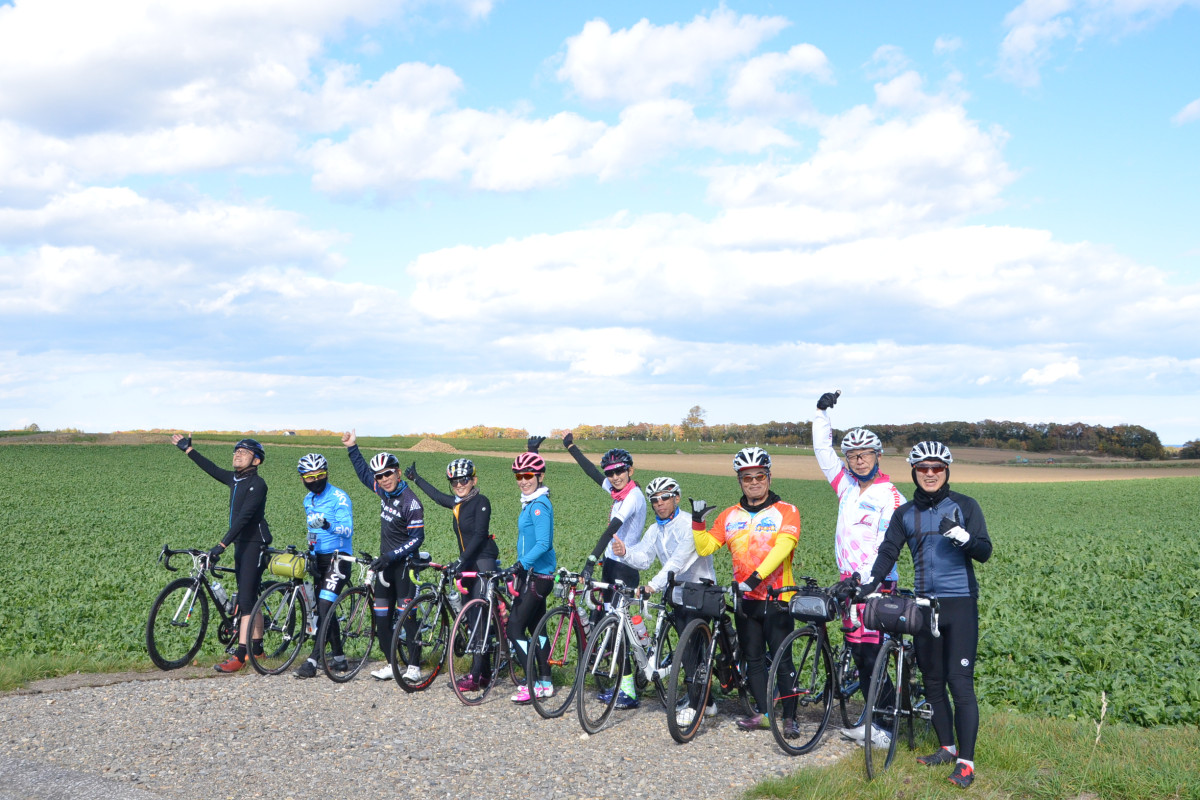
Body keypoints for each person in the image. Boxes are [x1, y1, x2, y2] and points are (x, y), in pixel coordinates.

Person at [860, 441, 993, 790]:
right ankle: (947, 748)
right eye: (923, 468)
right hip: (923, 606)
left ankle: (966, 762)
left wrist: (963, 538)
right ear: (914, 472)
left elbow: (985, 552)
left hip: (960, 604)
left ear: (946, 470)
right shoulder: (905, 514)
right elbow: (889, 550)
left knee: (959, 683)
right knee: (933, 682)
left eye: (936, 468)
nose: (930, 474)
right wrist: (871, 583)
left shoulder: (965, 505)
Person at [811, 391, 905, 742]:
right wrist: (822, 414)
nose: (858, 460)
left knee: (874, 658)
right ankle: (875, 721)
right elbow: (823, 453)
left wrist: (871, 582)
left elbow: (891, 546)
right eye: (852, 455)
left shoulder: (892, 495)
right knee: (862, 657)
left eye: (864, 454)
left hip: (877, 589)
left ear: (877, 456)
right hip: (849, 588)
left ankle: (886, 728)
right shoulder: (845, 486)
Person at [692, 446, 800, 731]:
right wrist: (697, 522)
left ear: (769, 477)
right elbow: (705, 548)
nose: (754, 482)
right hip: (746, 601)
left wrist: (754, 577)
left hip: (778, 598)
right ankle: (765, 714)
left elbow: (783, 547)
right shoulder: (730, 515)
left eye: (759, 476)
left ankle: (790, 718)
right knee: (752, 659)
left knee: (782, 659)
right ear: (739, 481)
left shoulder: (786, 511)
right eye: (747, 478)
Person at [611, 476, 717, 726]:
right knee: (689, 650)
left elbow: (676, 562)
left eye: (665, 498)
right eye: (655, 500)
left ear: (677, 498)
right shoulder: (655, 529)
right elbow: (645, 558)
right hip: (677, 593)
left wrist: (652, 586)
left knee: (691, 650)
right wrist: (625, 553)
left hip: (699, 591)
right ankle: (708, 702)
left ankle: (695, 705)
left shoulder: (690, 524)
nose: (659, 504)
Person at [170, 434, 272, 673]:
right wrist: (188, 450)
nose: (237, 454)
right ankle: (258, 650)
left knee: (246, 601)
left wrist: (221, 545)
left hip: (254, 543)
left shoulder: (258, 484)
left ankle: (241, 655)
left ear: (256, 461)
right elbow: (211, 468)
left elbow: (244, 518)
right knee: (251, 597)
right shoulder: (235, 479)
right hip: (241, 544)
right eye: (236, 451)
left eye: (244, 452)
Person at [561, 432, 647, 709]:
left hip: (625, 567)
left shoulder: (632, 496)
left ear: (630, 470)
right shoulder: (616, 491)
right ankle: (624, 678)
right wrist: (571, 447)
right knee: (607, 624)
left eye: (620, 471)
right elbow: (591, 472)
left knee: (618, 630)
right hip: (611, 565)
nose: (614, 476)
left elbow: (612, 529)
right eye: (610, 472)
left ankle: (629, 691)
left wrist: (589, 559)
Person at [404, 456, 500, 692]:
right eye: (454, 481)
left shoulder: (481, 502)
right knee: (470, 620)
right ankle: (485, 674)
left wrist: (460, 560)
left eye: (464, 480)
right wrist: (416, 479)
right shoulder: (458, 503)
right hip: (467, 562)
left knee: (478, 619)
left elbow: (479, 535)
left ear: (474, 479)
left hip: (482, 560)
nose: (459, 484)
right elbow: (437, 497)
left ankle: (476, 678)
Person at [342, 429, 425, 682]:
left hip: (404, 567)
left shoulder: (411, 502)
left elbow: (416, 539)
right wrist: (352, 447)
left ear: (398, 473)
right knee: (381, 618)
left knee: (406, 617)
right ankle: (392, 663)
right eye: (381, 476)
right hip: (385, 566)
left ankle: (414, 666)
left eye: (388, 473)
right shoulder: (383, 492)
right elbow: (363, 475)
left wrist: (391, 556)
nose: (384, 479)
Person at [293, 453, 354, 679]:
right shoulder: (308, 500)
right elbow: (312, 531)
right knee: (323, 607)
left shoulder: (339, 497)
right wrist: (309, 552)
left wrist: (328, 525)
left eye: (320, 475)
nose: (315, 480)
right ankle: (339, 658)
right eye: (310, 477)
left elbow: (348, 530)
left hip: (339, 558)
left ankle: (313, 660)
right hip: (318, 559)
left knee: (325, 606)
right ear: (302, 479)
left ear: (326, 473)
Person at [506, 437, 556, 703]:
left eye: (528, 476)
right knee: (538, 628)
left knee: (515, 628)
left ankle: (531, 683)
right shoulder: (532, 500)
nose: (523, 480)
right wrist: (531, 452)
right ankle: (546, 682)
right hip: (536, 574)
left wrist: (521, 565)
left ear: (539, 476)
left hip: (537, 575)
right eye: (519, 476)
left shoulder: (539, 506)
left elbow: (543, 543)